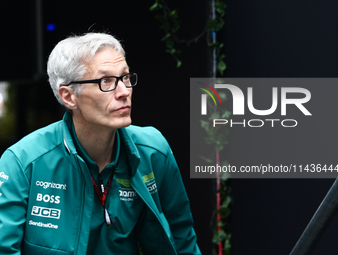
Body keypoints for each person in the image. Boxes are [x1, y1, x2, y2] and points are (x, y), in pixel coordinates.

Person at [0, 32, 201, 255]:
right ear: (68, 97)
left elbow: (182, 241)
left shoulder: (153, 151)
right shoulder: (22, 162)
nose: (124, 92)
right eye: (106, 81)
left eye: (125, 77)